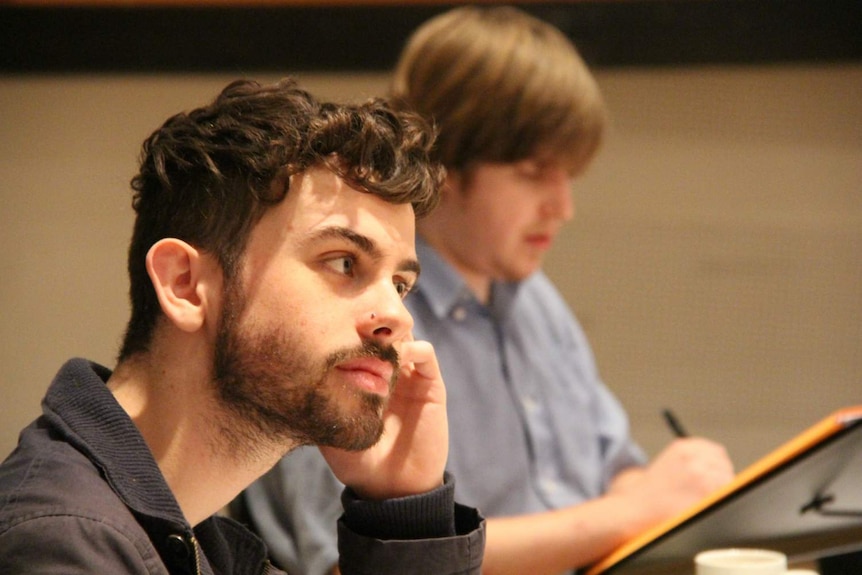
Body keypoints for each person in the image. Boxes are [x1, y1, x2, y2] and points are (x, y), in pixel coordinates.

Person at [237, 6, 736, 575]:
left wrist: (669, 491)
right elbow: (353, 559)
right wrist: (630, 514)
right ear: (446, 166)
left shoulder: (533, 296)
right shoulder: (361, 315)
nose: (563, 207)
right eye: (532, 172)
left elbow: (616, 466)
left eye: (569, 176)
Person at [0, 78, 486, 574]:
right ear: (186, 285)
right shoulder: (61, 544)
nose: (398, 317)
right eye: (344, 263)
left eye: (400, 284)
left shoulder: (200, 542)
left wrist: (402, 513)